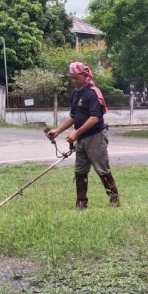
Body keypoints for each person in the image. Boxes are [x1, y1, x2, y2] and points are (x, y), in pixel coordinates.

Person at [45, 62, 119, 209]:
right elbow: (74, 116)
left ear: (85, 76)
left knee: (102, 169)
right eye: (71, 77)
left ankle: (115, 200)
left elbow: (95, 118)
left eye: (76, 77)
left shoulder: (93, 93)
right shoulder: (76, 93)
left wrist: (76, 133)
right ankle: (81, 204)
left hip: (95, 137)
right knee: (80, 171)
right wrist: (57, 131)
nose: (73, 81)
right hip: (81, 138)